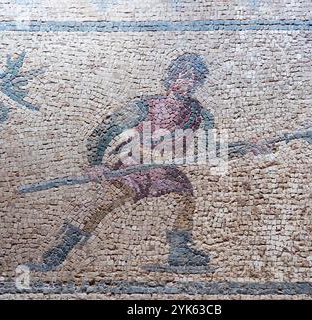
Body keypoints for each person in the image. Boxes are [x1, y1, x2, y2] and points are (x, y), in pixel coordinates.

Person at [27, 53, 215, 271]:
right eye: (185, 76)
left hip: (164, 170)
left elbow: (213, 143)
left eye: (195, 78)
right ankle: (58, 252)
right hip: (132, 166)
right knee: (100, 204)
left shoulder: (198, 112)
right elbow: (104, 131)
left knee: (183, 198)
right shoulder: (146, 106)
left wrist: (247, 147)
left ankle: (179, 251)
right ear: (172, 78)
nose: (189, 82)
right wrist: (96, 163)